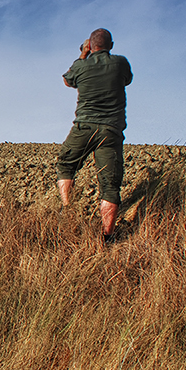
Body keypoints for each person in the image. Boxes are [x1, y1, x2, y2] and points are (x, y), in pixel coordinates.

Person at [56, 28, 133, 238]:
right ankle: (108, 236)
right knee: (110, 185)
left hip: (84, 128)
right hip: (111, 131)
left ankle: (67, 208)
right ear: (112, 45)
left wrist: (83, 54)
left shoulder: (81, 65)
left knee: (65, 165)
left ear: (90, 45)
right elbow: (127, 80)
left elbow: (67, 80)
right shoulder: (120, 63)